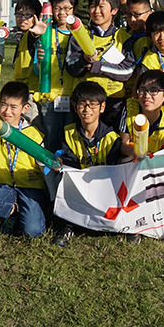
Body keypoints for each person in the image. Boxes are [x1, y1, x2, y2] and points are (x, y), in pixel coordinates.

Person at [55, 81, 122, 247]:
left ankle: (123, 228)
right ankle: (67, 226)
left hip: (104, 186)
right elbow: (71, 166)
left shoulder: (112, 137)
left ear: (102, 107)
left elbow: (114, 171)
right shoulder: (68, 133)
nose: (87, 110)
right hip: (80, 186)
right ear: (75, 107)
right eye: (82, 105)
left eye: (93, 105)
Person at [0, 82, 48, 238]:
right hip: (4, 185)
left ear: (25, 109)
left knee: (32, 232)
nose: (7, 111)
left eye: (13, 107)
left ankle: (37, 207)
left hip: (30, 186)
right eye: (3, 105)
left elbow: (43, 164)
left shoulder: (33, 134)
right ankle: (15, 211)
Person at [65, 0, 135, 130]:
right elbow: (71, 67)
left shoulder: (123, 38)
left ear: (114, 10)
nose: (96, 11)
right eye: (93, 7)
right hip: (85, 105)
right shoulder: (79, 35)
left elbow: (127, 71)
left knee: (111, 145)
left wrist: (99, 67)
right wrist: (84, 60)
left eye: (101, 7)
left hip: (113, 103)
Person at [34, 0, 78, 154]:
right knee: (51, 140)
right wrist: (39, 62)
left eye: (67, 8)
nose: (62, 13)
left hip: (73, 95)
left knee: (71, 142)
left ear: (74, 9)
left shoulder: (80, 33)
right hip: (50, 96)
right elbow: (37, 70)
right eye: (57, 8)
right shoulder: (45, 33)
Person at [119, 70, 164, 160]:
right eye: (142, 90)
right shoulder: (129, 110)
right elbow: (124, 145)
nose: (147, 95)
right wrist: (134, 153)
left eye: (153, 91)